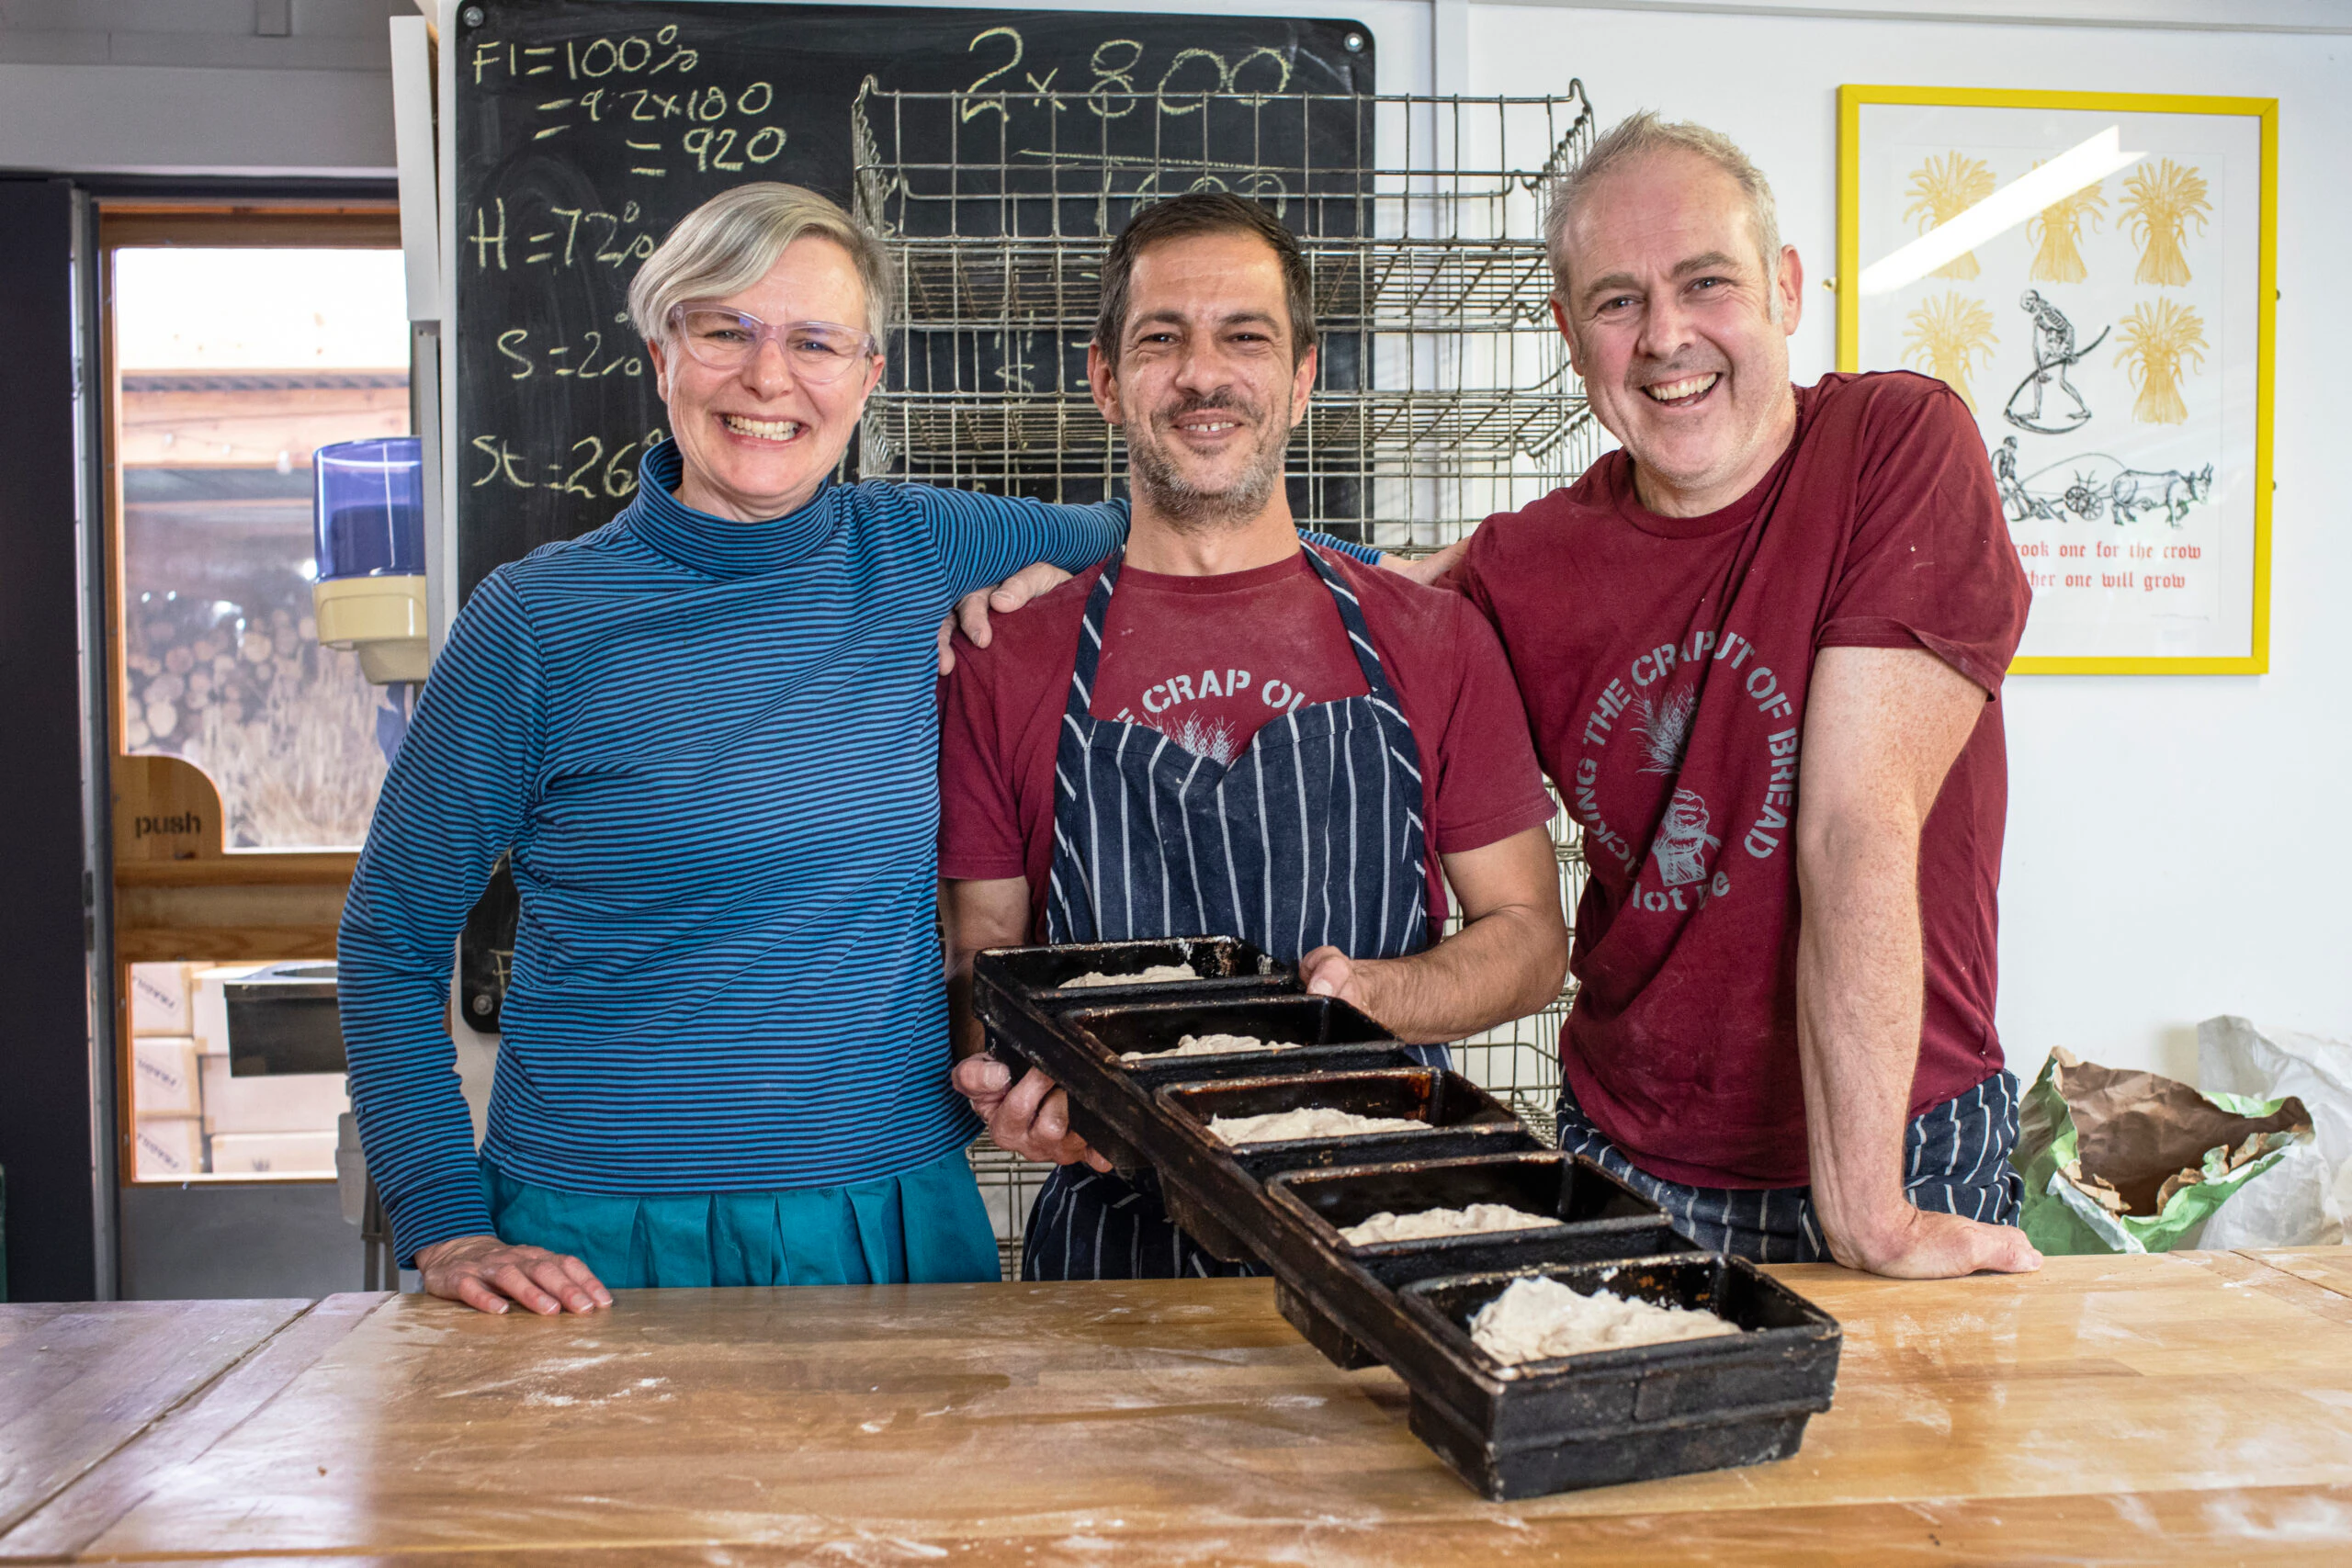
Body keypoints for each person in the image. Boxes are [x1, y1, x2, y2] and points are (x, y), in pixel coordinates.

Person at [336, 183, 1390, 1314]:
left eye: (815, 342)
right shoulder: (535, 622)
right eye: (724, 330)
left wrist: (1428, 584)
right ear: (661, 354)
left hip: (889, 1216)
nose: (768, 377)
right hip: (598, 1233)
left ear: (867, 374)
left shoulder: (925, 546)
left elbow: (1225, 545)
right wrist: (444, 1225)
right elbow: (389, 939)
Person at [1440, 114, 2041, 1278]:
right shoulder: (1525, 562)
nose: (1666, 337)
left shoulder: (1892, 446)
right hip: (1627, 1146)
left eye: (1705, 282)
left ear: (1784, 288)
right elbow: (1347, 598)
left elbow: (1852, 825)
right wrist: (1098, 555)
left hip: (1902, 1149)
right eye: (1617, 302)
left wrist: (1867, 1212)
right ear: (1569, 335)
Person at [937, 193, 1570, 1280]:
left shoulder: (1432, 640)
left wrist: (1379, 997)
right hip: (1114, 1244)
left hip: (1385, 1240)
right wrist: (1018, 1085)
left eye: (1245, 337)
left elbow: (1528, 939)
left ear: (1301, 377)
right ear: (1104, 381)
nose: (1203, 374)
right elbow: (981, 963)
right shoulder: (1011, 657)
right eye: (1160, 339)